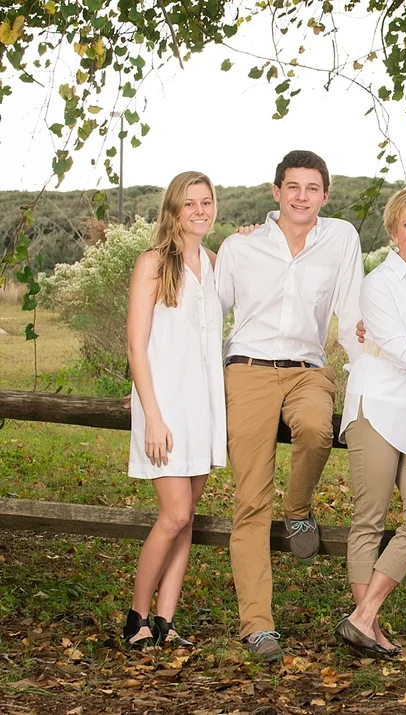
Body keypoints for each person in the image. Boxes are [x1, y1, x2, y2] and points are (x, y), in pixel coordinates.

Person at [215, 150, 364, 661]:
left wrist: (378, 372)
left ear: (325, 194)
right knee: (250, 501)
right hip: (248, 371)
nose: (302, 196)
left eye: (312, 188)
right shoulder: (242, 245)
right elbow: (208, 313)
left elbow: (354, 310)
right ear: (276, 192)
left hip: (307, 370)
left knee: (318, 430)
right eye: (292, 187)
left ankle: (299, 509)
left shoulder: (341, 238)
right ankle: (258, 625)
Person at [333, 183, 406, 660]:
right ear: (394, 230)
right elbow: (403, 355)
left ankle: (361, 618)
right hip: (376, 404)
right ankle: (371, 629)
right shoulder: (378, 283)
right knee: (370, 520)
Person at [123, 171, 226, 649]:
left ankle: (166, 621)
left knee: (188, 517)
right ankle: (137, 616)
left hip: (203, 408)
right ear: (174, 210)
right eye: (191, 204)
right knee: (174, 513)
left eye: (207, 202)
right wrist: (152, 413)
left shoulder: (212, 262)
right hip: (164, 409)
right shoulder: (153, 263)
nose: (200, 210)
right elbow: (136, 346)